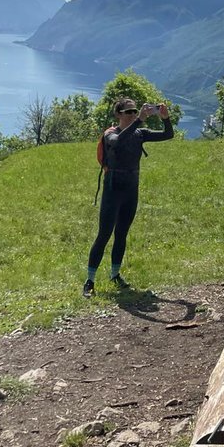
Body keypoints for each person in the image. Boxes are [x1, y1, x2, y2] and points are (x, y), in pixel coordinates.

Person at [83, 98, 174, 297]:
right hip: (113, 188)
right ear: (118, 114)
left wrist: (165, 118)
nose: (133, 114)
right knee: (104, 235)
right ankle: (89, 281)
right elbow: (117, 142)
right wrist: (139, 120)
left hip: (131, 189)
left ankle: (115, 275)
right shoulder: (111, 133)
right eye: (129, 111)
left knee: (122, 234)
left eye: (135, 111)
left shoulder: (140, 133)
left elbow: (168, 134)